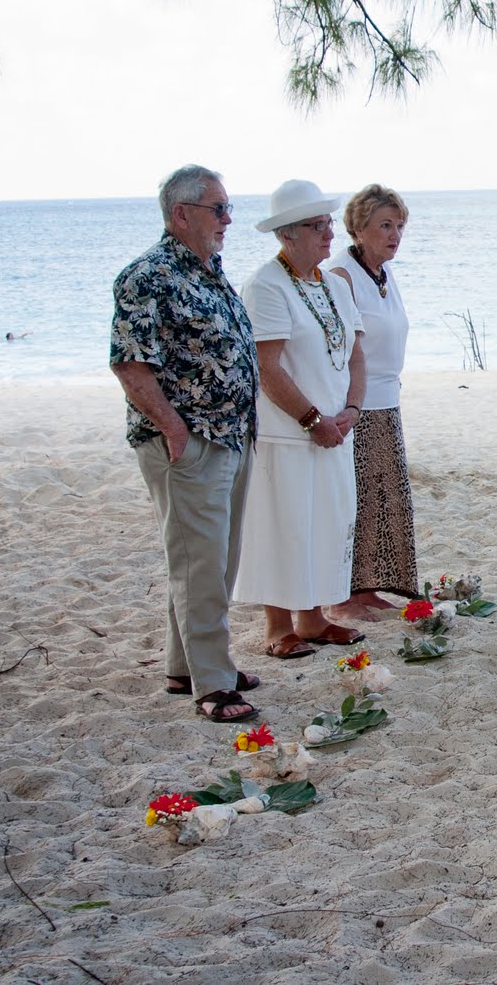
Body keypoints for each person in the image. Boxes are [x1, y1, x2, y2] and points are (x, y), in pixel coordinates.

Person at [109, 165, 261, 722]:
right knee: (200, 562)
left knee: (215, 561)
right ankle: (214, 684)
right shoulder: (147, 276)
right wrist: (175, 429)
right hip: (188, 443)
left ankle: (186, 665)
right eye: (218, 209)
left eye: (227, 207)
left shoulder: (208, 270)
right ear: (182, 214)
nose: (228, 219)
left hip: (233, 436)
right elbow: (130, 364)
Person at [234, 180, 369, 658]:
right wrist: (313, 420)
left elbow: (355, 355)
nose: (329, 233)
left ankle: (313, 620)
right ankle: (277, 626)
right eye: (317, 226)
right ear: (287, 235)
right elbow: (266, 367)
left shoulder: (333, 284)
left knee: (327, 523)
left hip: (336, 429)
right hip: (287, 433)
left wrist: (351, 410)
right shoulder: (266, 285)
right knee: (284, 524)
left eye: (328, 223)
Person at [326, 185, 420, 623]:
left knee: (383, 498)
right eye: (385, 225)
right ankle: (342, 594)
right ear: (358, 228)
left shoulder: (384, 272)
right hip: (355, 402)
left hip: (388, 399)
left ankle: (366, 588)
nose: (395, 234)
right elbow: (341, 349)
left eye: (399, 226)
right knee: (354, 498)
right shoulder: (341, 274)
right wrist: (350, 404)